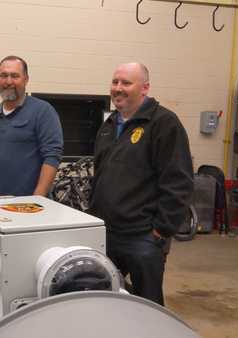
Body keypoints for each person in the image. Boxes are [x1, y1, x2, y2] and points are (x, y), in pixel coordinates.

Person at [90, 62, 193, 306]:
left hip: (143, 237)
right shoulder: (109, 126)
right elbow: (100, 176)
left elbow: (179, 181)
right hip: (107, 233)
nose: (118, 88)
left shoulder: (164, 123)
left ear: (145, 88)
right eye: (115, 82)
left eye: (126, 83)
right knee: (104, 297)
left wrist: (161, 230)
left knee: (148, 306)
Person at [0, 55, 63, 197]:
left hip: (30, 209)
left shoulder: (42, 111)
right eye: (3, 75)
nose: (8, 81)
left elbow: (52, 156)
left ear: (26, 79)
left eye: (15, 76)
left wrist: (37, 199)